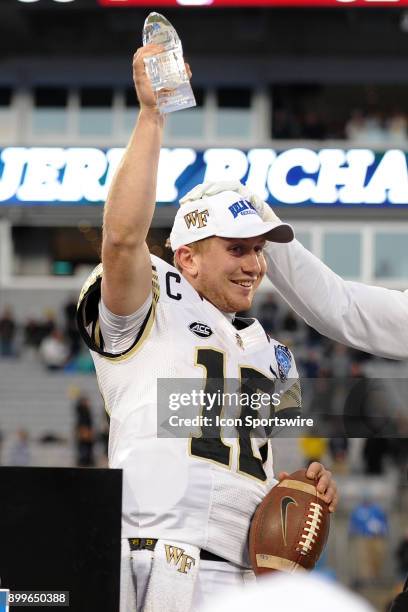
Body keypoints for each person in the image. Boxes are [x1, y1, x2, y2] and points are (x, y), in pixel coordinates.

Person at [76, 44, 338, 612]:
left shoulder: (278, 355)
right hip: (152, 561)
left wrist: (299, 495)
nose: (255, 264)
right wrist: (152, 117)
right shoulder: (153, 302)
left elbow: (252, 468)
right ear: (187, 258)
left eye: (260, 251)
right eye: (237, 249)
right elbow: (122, 239)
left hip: (239, 579)